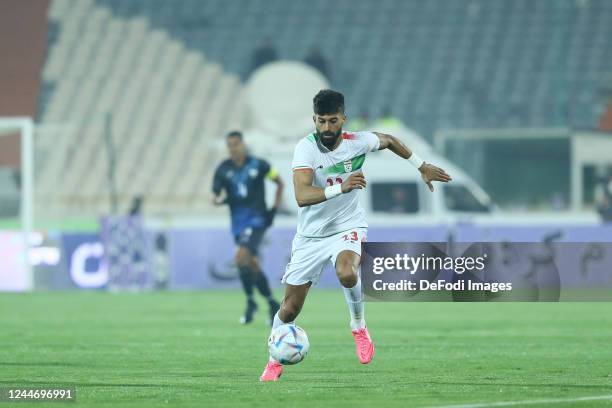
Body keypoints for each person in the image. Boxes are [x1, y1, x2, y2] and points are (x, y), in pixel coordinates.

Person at [260, 89, 452, 381]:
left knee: (347, 272)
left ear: (343, 119)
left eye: (333, 121)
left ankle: (359, 327)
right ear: (314, 119)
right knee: (289, 309)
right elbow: (301, 195)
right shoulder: (306, 149)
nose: (327, 127)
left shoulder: (358, 142)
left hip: (347, 226)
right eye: (321, 121)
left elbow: (389, 140)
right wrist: (342, 187)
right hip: (311, 236)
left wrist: (421, 165)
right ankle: (274, 359)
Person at [212, 131, 283, 325]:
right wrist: (218, 199)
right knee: (251, 263)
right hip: (238, 224)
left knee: (240, 257)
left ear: (243, 144)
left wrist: (274, 209)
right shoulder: (223, 169)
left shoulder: (259, 165)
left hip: (258, 219)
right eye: (230, 145)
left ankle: (251, 301)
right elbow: (216, 194)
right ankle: (271, 303)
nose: (233, 148)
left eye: (236, 144)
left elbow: (279, 182)